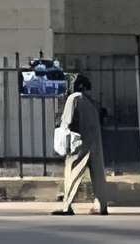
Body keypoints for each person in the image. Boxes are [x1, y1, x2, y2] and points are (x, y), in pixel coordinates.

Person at [52, 71, 108, 215]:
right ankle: (101, 206)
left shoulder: (75, 98)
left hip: (79, 142)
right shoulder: (93, 102)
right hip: (96, 143)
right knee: (98, 176)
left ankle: (67, 206)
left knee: (72, 171)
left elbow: (67, 121)